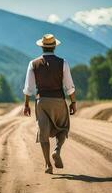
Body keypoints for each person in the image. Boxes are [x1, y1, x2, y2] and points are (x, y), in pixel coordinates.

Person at [23, 34, 76, 174]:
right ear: (54, 47)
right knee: (63, 127)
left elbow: (28, 88)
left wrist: (26, 104)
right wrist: (73, 102)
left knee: (43, 132)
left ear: (41, 46)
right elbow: (69, 86)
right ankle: (57, 150)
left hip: (41, 101)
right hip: (58, 100)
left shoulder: (33, 64)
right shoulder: (63, 62)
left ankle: (47, 165)